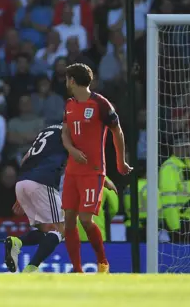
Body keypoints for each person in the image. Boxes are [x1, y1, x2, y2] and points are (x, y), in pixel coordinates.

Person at [61, 63, 131, 273]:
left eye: (67, 79)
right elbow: (64, 132)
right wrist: (71, 149)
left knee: (86, 219)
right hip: (72, 171)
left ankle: (102, 262)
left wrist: (120, 162)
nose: (66, 83)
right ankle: (77, 269)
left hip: (92, 171)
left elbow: (117, 132)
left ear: (72, 80)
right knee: (69, 220)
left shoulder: (100, 103)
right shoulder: (69, 104)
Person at [4, 124, 67, 273]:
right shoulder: (70, 131)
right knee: (60, 230)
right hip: (43, 182)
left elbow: (24, 159)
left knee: (46, 231)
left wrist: (22, 196)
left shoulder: (46, 131)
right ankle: (32, 268)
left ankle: (17, 241)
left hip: (22, 182)